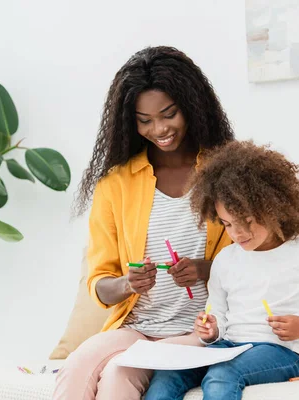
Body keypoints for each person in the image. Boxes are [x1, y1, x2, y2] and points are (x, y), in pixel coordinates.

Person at [52, 46, 234, 400]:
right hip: (137, 327)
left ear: (192, 107)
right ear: (129, 121)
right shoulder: (115, 184)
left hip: (202, 329)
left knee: (119, 374)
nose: (160, 129)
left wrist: (203, 269)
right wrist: (127, 283)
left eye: (169, 114)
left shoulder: (225, 172)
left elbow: (251, 264)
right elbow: (100, 284)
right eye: (145, 120)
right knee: (77, 366)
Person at [145, 141, 299, 400]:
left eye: (246, 222)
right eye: (228, 224)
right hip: (228, 346)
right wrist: (211, 329)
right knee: (167, 376)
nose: (236, 233)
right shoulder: (225, 259)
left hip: (284, 351)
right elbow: (217, 310)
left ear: (274, 208)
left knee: (223, 375)